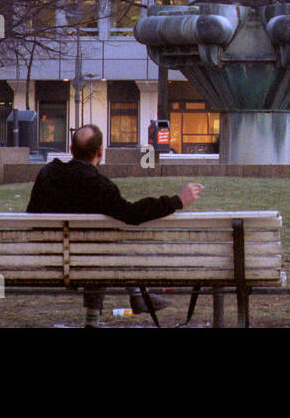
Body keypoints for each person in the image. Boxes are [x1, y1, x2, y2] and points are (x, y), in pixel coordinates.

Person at [27, 124, 203, 326]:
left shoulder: (47, 175)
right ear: (100, 151)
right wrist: (177, 200)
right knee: (101, 245)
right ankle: (134, 295)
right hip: (92, 263)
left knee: (97, 244)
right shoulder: (100, 185)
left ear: (71, 149)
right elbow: (133, 214)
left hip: (49, 261)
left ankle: (109, 310)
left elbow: (31, 216)